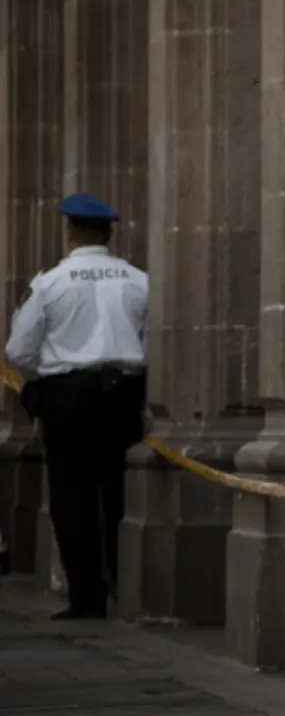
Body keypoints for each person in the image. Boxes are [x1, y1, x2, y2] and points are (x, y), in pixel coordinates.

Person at [4, 193, 148, 619]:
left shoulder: (51, 282)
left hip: (67, 397)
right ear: (110, 233)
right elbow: (151, 344)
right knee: (119, 493)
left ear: (70, 232)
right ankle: (130, 587)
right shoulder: (139, 280)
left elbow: (18, 350)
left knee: (72, 498)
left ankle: (87, 595)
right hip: (123, 394)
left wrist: (48, 371)